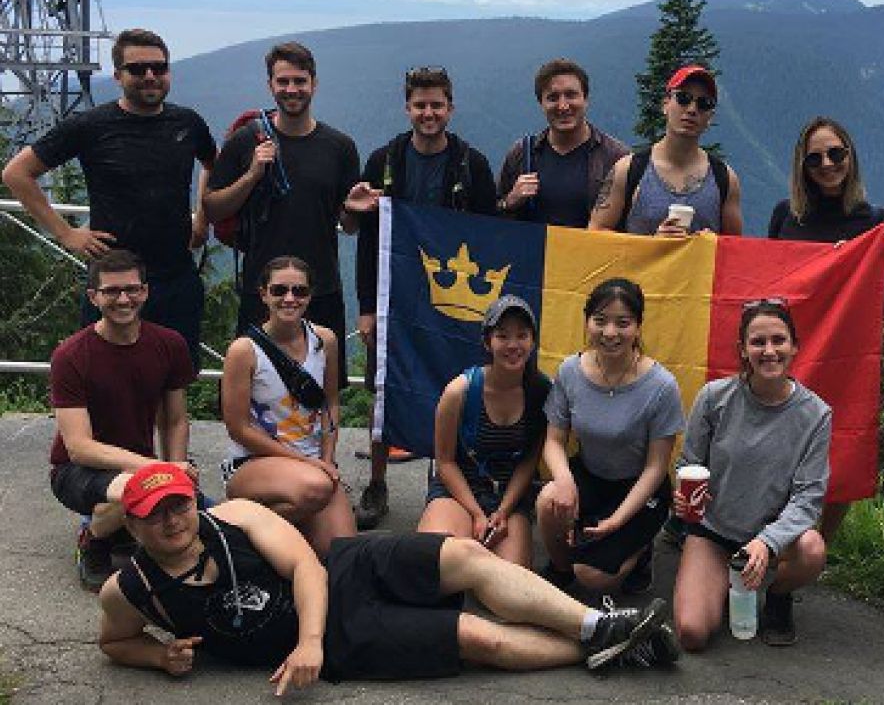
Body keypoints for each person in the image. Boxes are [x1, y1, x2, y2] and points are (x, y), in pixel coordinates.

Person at [99, 463, 679, 692]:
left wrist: (306, 640)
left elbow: (305, 565)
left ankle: (597, 624)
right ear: (132, 523)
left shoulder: (234, 517)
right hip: (343, 641)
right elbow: (113, 642)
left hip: (340, 572)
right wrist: (158, 657)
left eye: (179, 505)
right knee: (477, 638)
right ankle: (616, 646)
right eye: (156, 515)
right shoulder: (131, 589)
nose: (174, 521)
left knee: (465, 556)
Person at [3, 28, 216, 368]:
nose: (150, 76)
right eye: (138, 69)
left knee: (174, 378)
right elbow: (16, 173)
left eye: (159, 67)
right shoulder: (91, 126)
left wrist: (202, 220)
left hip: (176, 277)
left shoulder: (188, 123)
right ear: (118, 76)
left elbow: (212, 165)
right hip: (113, 285)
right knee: (107, 377)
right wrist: (65, 234)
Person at [350, 65, 498, 531]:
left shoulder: (472, 165)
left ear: (451, 108)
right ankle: (377, 483)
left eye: (437, 105)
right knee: (383, 391)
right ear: (407, 108)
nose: (428, 113)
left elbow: (490, 236)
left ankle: (443, 484)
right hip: (394, 297)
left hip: (453, 303)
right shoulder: (384, 160)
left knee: (453, 390)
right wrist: (367, 307)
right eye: (420, 105)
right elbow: (368, 239)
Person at [203, 41, 371, 389]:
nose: (292, 89)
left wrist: (353, 209)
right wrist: (252, 175)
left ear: (314, 84)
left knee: (321, 391)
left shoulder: (339, 147)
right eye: (283, 81)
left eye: (299, 81)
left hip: (320, 289)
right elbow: (213, 207)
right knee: (256, 388)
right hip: (262, 291)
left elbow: (349, 226)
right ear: (270, 85)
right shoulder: (246, 141)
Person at [768, 116, 884, 546]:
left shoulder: (875, 223)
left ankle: (815, 548)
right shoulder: (786, 216)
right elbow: (770, 281)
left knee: (840, 447)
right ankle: (779, 538)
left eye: (836, 154)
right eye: (815, 158)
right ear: (802, 166)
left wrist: (852, 272)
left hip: (846, 356)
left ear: (850, 156)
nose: (827, 164)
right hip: (788, 352)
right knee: (781, 443)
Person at [673, 299, 830, 649]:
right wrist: (683, 497)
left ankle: (778, 594)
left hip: (773, 538)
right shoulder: (714, 398)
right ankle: (721, 581)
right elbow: (688, 463)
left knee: (812, 549)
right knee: (692, 633)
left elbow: (808, 498)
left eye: (779, 340)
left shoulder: (816, 414)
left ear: (795, 346)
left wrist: (767, 541)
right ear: (743, 350)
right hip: (714, 530)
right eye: (758, 342)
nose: (769, 351)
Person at [47, 250, 197, 591]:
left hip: (138, 463)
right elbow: (79, 447)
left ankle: (126, 528)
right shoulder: (71, 355)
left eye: (132, 289)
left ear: (145, 291)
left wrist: (176, 472)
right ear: (93, 297)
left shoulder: (169, 344)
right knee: (146, 486)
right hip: (77, 471)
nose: (124, 299)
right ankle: (94, 536)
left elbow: (174, 420)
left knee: (191, 509)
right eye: (112, 291)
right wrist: (160, 470)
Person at [536, 279, 682, 595]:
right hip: (590, 474)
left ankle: (640, 554)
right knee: (548, 499)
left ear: (638, 327)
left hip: (640, 486)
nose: (610, 332)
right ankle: (561, 568)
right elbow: (553, 441)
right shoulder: (570, 371)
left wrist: (616, 521)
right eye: (600, 320)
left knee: (593, 577)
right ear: (587, 321)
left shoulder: (662, 386)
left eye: (623, 323)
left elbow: (656, 467)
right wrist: (564, 481)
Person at [219, 256, 355, 557]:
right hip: (254, 462)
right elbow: (238, 428)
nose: (290, 299)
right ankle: (235, 530)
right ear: (263, 294)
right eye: (279, 290)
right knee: (315, 489)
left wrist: (327, 459)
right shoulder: (244, 351)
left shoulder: (325, 340)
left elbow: (330, 401)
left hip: (313, 466)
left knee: (342, 553)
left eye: (299, 291)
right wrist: (308, 464)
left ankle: (281, 533)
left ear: (310, 296)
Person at [418, 295, 549, 568]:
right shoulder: (460, 391)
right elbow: (445, 461)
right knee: (435, 563)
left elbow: (529, 460)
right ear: (488, 342)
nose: (513, 345)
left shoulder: (540, 391)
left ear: (533, 341)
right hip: (459, 488)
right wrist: (477, 513)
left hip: (509, 494)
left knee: (510, 580)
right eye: (503, 336)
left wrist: (503, 510)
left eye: (522, 336)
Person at [588, 65, 742, 237]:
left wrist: (713, 243)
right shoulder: (628, 170)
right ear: (666, 105)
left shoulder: (725, 179)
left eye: (703, 103)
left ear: (710, 118)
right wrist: (653, 243)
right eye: (683, 98)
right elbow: (595, 234)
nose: (692, 109)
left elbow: (737, 247)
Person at [497, 58, 628, 226]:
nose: (563, 106)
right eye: (553, 98)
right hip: (533, 244)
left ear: (585, 99)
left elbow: (634, 223)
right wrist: (509, 201)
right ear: (541, 104)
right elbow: (489, 215)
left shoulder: (616, 158)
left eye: (571, 95)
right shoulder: (522, 153)